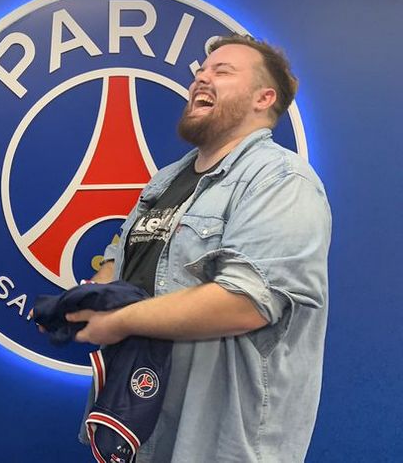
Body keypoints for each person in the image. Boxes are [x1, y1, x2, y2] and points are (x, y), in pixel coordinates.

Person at [67, 34, 331, 462]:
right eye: (200, 72)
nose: (201, 79)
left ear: (264, 98)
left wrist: (118, 322)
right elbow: (121, 264)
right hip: (140, 426)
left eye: (222, 72)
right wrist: (83, 302)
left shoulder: (282, 180)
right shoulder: (166, 180)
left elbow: (246, 301)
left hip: (218, 443)